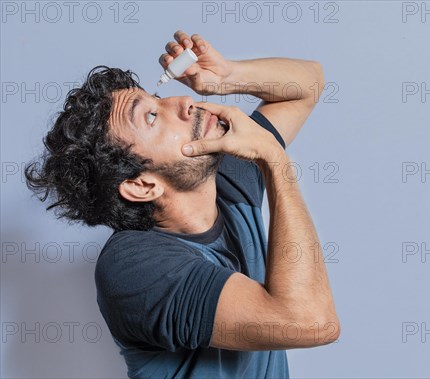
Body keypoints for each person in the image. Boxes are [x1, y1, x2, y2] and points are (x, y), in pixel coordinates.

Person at [25, 30, 340, 378]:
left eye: (156, 100)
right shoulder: (133, 268)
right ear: (142, 185)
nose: (182, 102)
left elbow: (309, 83)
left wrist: (228, 76)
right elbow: (310, 321)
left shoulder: (225, 180)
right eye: (150, 117)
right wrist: (274, 161)